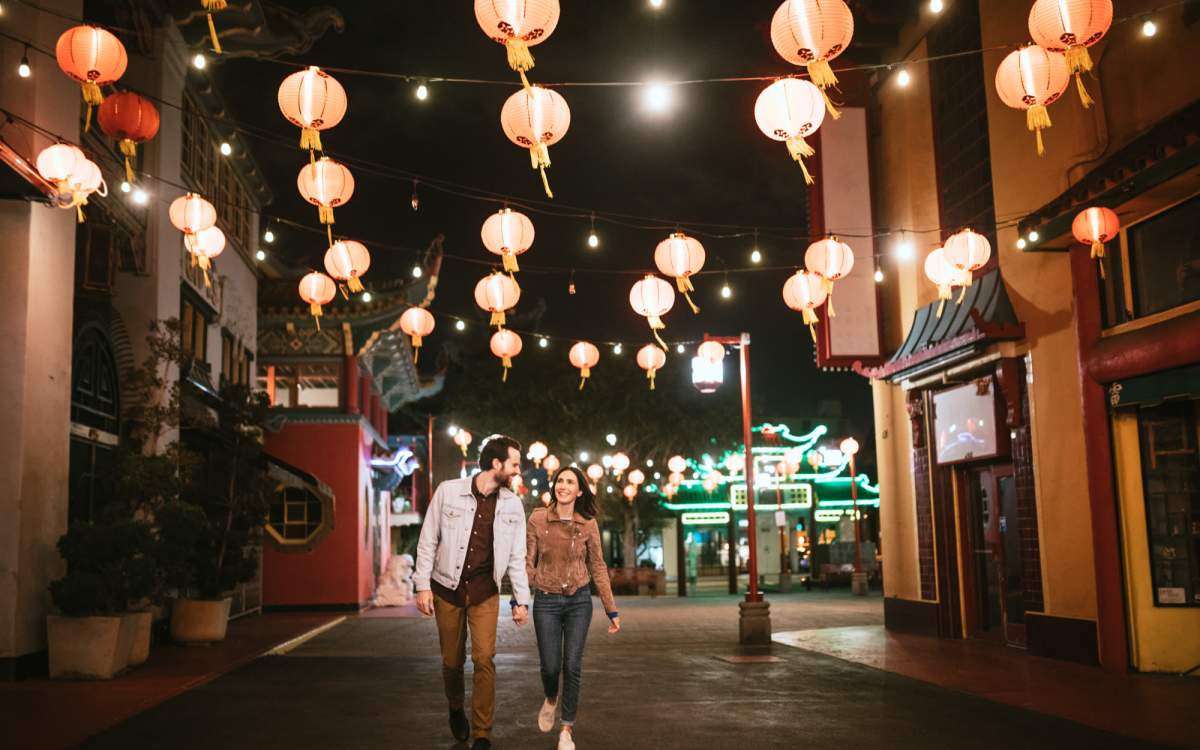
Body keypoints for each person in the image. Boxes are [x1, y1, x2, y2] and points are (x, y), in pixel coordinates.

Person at [413, 434, 531, 750]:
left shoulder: (513, 505)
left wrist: (522, 599)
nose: (519, 470)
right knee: (452, 662)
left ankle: (482, 733)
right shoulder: (448, 492)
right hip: (446, 589)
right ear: (497, 464)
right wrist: (422, 585)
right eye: (515, 464)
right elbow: (428, 541)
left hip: (485, 592)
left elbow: (518, 556)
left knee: (484, 659)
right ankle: (455, 707)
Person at [526, 465, 620, 750]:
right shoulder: (538, 519)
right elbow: (526, 561)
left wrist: (611, 609)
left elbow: (599, 567)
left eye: (570, 482)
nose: (563, 486)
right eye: (560, 481)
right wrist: (524, 593)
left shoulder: (588, 524)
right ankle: (551, 697)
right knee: (551, 666)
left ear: (580, 491)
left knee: (573, 665)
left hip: (579, 601)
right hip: (546, 601)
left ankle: (566, 729)